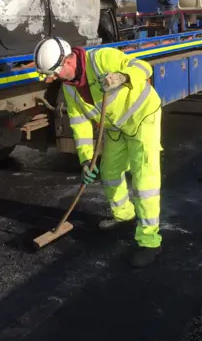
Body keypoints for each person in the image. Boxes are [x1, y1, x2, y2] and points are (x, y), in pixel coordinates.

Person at [33, 37, 163, 268]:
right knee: (110, 173)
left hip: (143, 119)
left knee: (144, 182)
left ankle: (149, 240)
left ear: (69, 61)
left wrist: (122, 77)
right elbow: (79, 124)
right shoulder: (69, 88)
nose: (51, 79)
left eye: (53, 73)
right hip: (116, 128)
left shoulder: (103, 58)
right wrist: (85, 160)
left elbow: (144, 66)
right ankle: (124, 215)